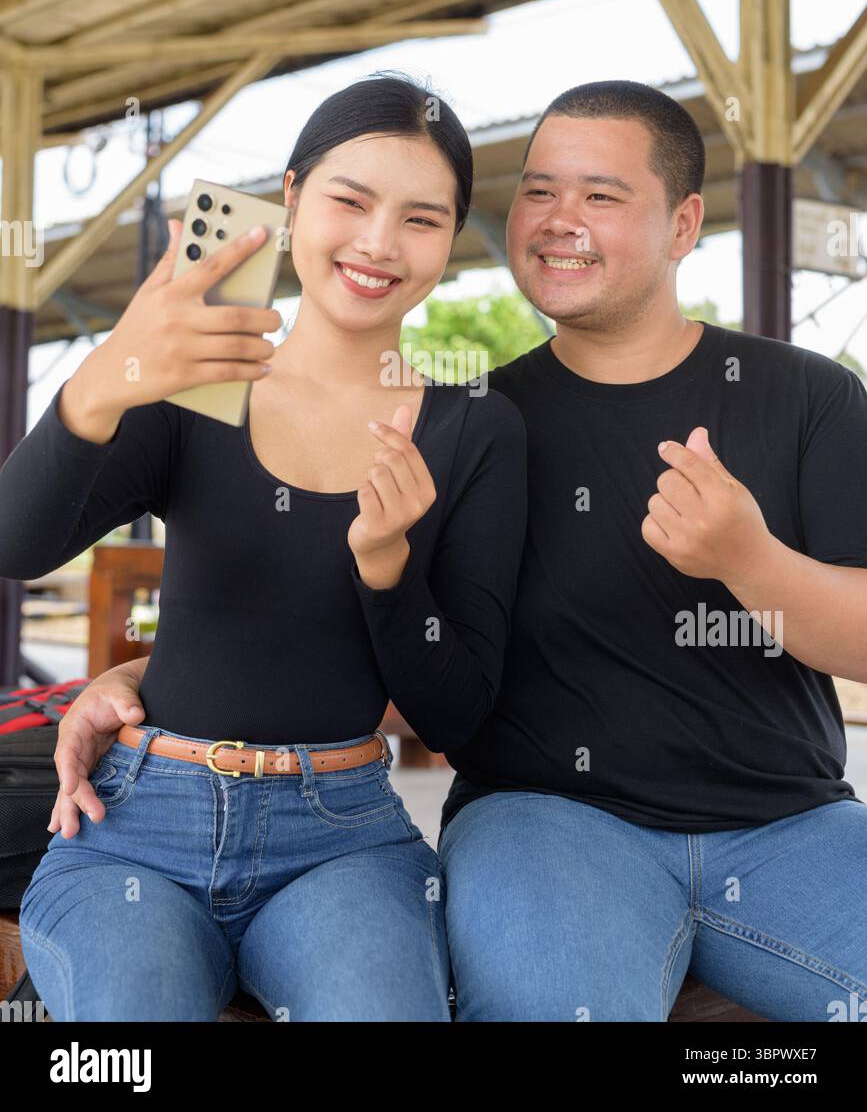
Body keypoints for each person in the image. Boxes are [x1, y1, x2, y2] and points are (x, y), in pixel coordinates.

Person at [0, 73, 527, 1022]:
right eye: (348, 201)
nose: (377, 244)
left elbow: (458, 714)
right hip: (136, 823)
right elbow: (17, 543)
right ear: (288, 200)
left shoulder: (475, 429)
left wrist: (387, 570)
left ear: (452, 238)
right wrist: (104, 380)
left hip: (342, 837)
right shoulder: (192, 386)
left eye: (421, 218)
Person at [439, 81, 867, 1021]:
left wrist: (748, 559)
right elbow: (368, 619)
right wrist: (153, 684)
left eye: (600, 195)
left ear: (682, 225)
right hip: (547, 823)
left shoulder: (809, 398)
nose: (558, 222)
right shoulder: (471, 422)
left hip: (791, 825)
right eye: (539, 191)